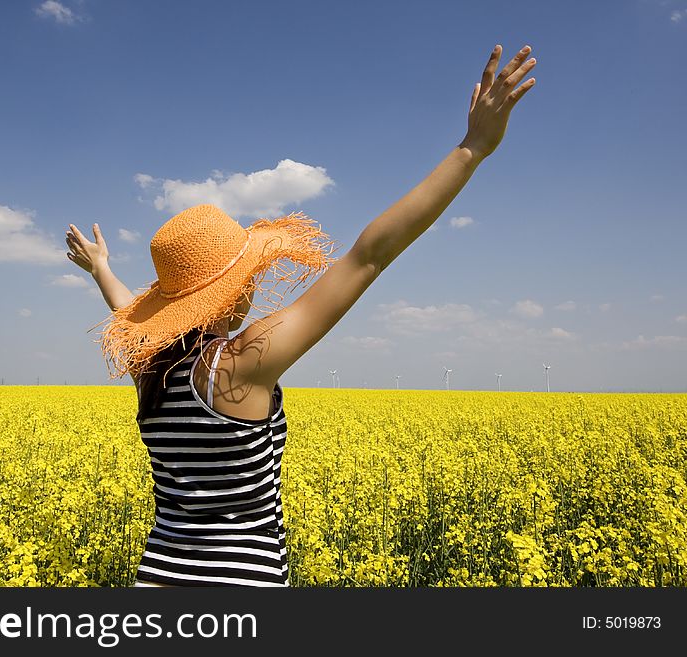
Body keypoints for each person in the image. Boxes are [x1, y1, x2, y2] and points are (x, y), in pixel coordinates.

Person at [65, 43, 537, 586]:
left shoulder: (149, 366)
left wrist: (101, 268)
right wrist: (472, 149)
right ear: (230, 294)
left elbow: (127, 313)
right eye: (248, 276)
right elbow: (367, 257)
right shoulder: (240, 364)